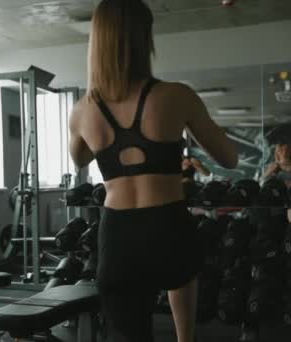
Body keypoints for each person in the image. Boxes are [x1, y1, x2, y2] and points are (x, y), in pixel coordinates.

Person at [68, 1, 238, 342]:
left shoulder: (83, 110)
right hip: (167, 228)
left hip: (118, 236)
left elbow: (80, 158)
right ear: (145, 39)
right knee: (181, 283)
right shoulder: (177, 95)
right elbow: (230, 158)